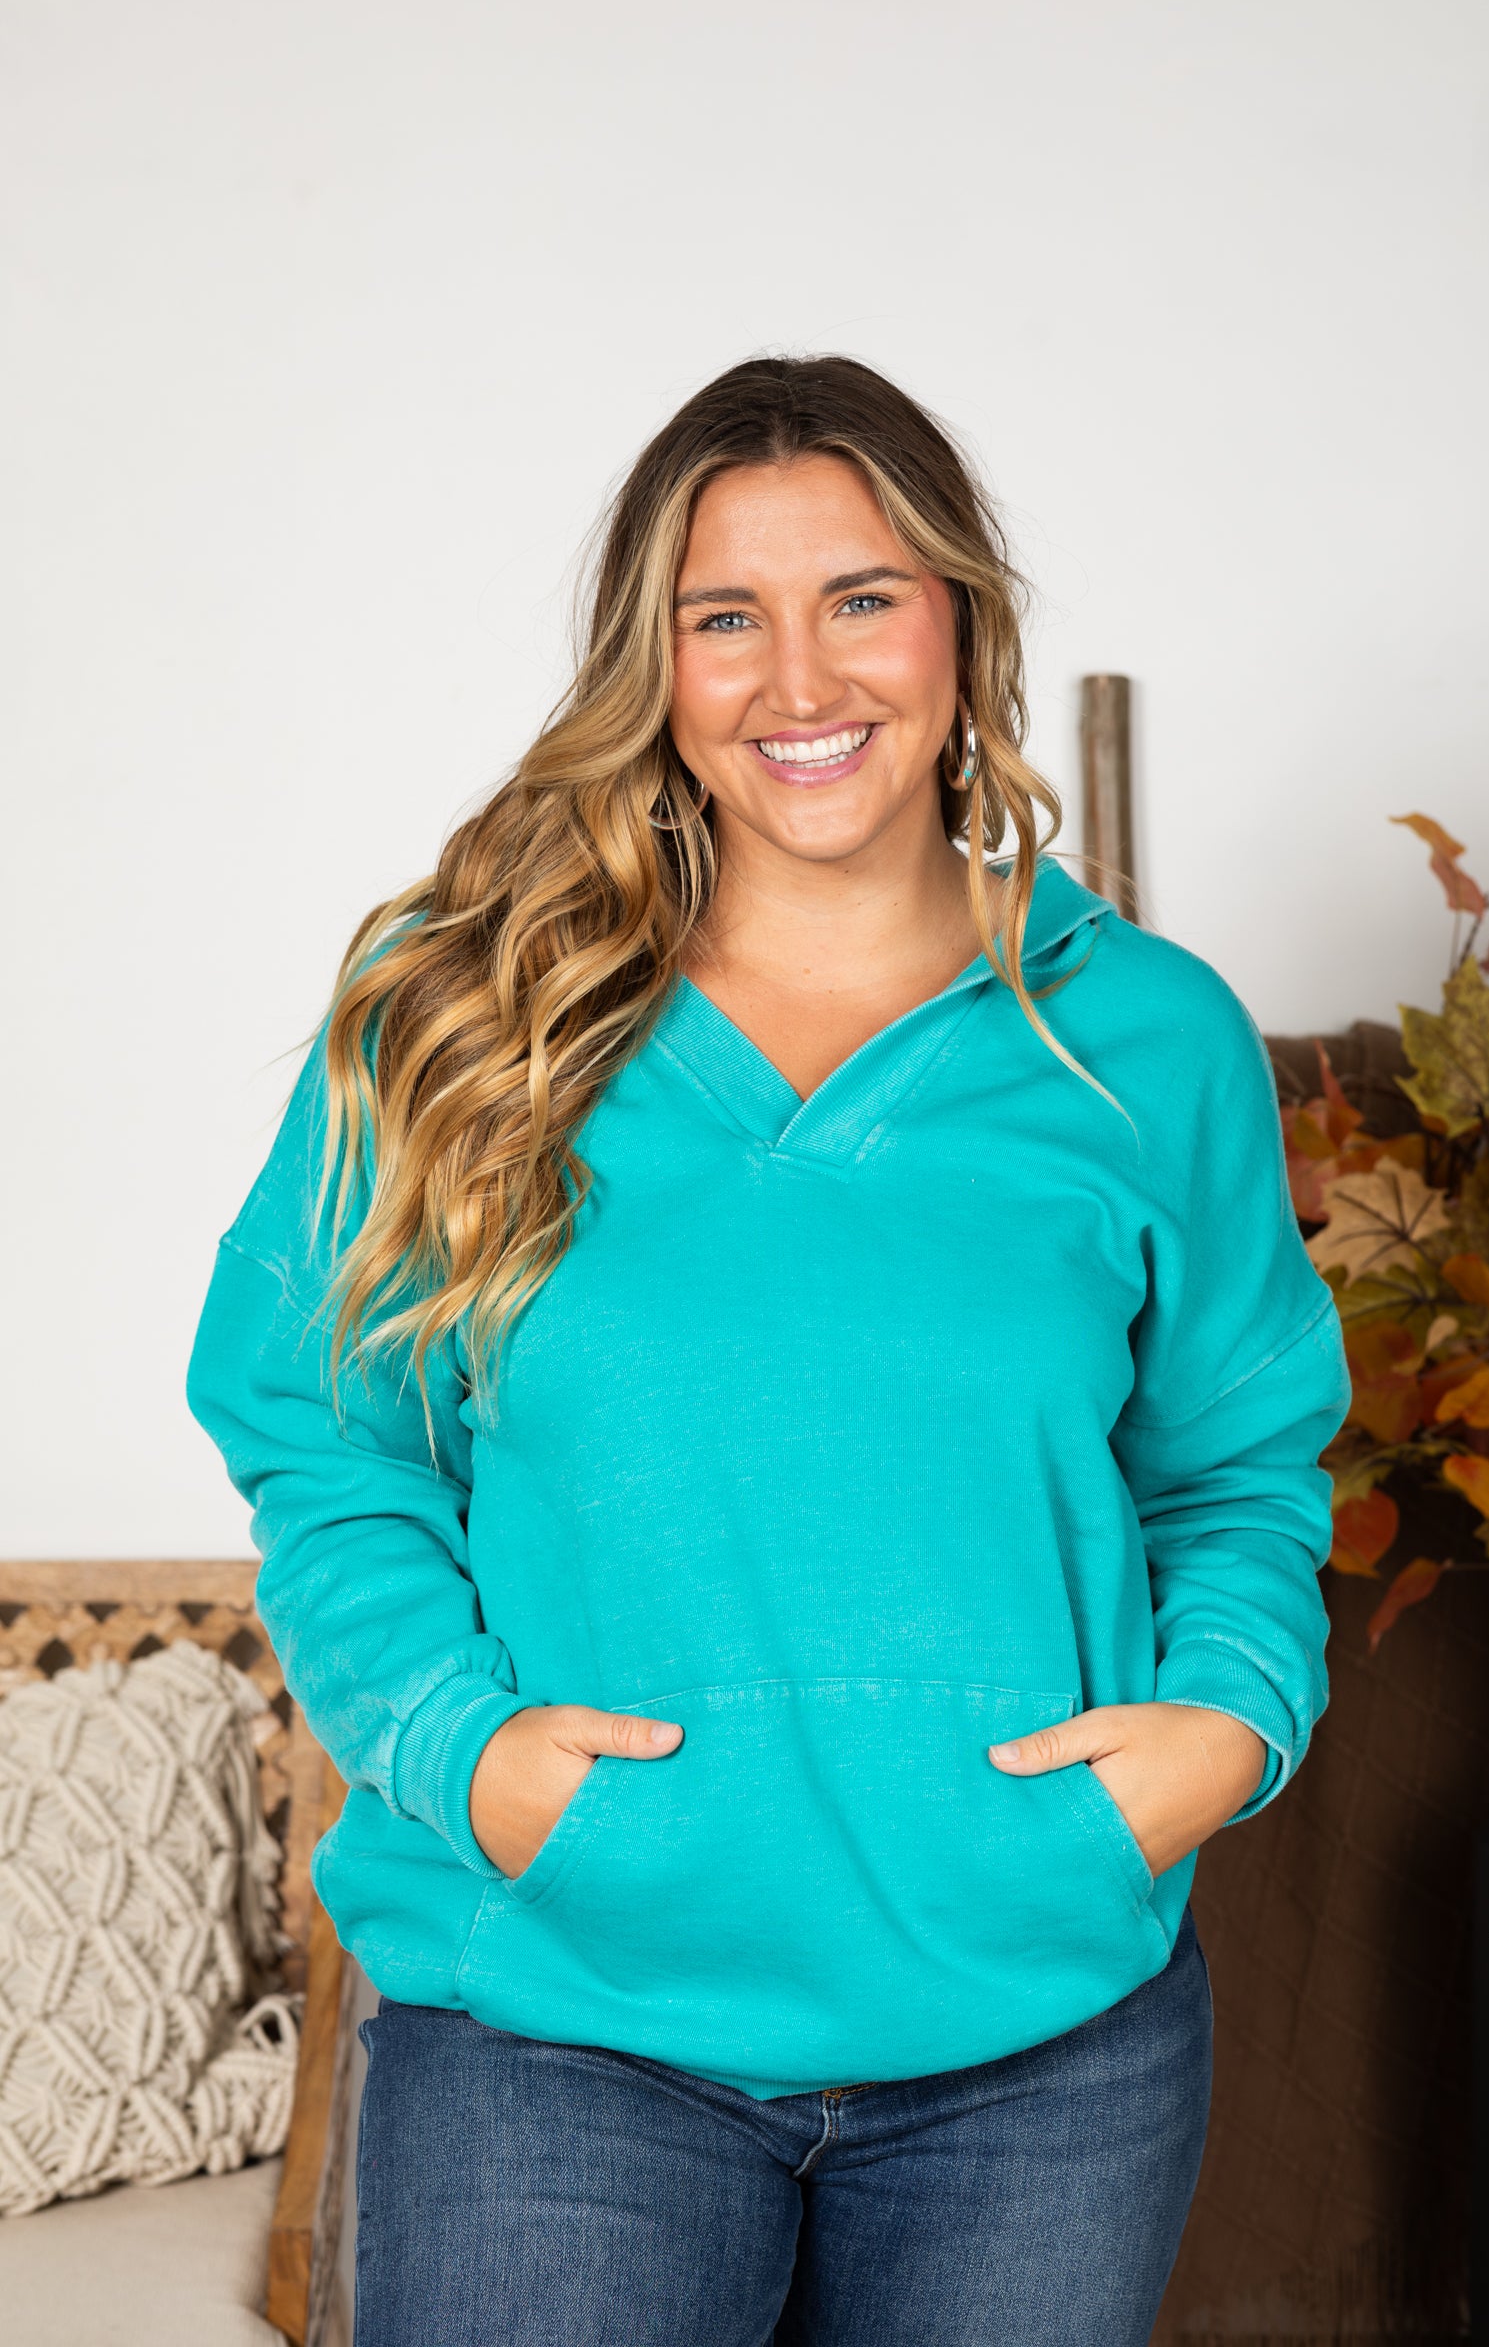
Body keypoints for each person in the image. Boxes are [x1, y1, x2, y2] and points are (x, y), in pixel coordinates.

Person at [186, 354, 1350, 2347]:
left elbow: (1233, 1464)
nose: (796, 680)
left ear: (961, 627)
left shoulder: (1144, 1038)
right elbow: (322, 1434)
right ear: (652, 663)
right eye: (723, 616)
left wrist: (1224, 1725)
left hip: (1040, 2044)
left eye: (861, 599)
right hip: (553, 2020)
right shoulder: (459, 1010)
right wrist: (459, 1752)